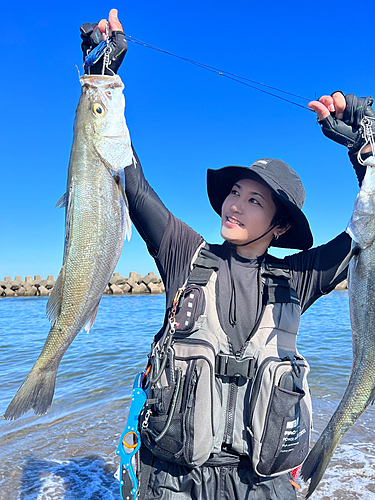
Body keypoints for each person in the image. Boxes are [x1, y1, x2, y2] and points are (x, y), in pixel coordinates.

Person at [81, 9, 374, 500]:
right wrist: (102, 78)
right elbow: (131, 181)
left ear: (280, 226)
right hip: (172, 481)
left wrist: (362, 147)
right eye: (234, 192)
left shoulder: (296, 278)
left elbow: (366, 232)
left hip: (261, 486)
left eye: (253, 200)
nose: (234, 204)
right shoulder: (185, 254)